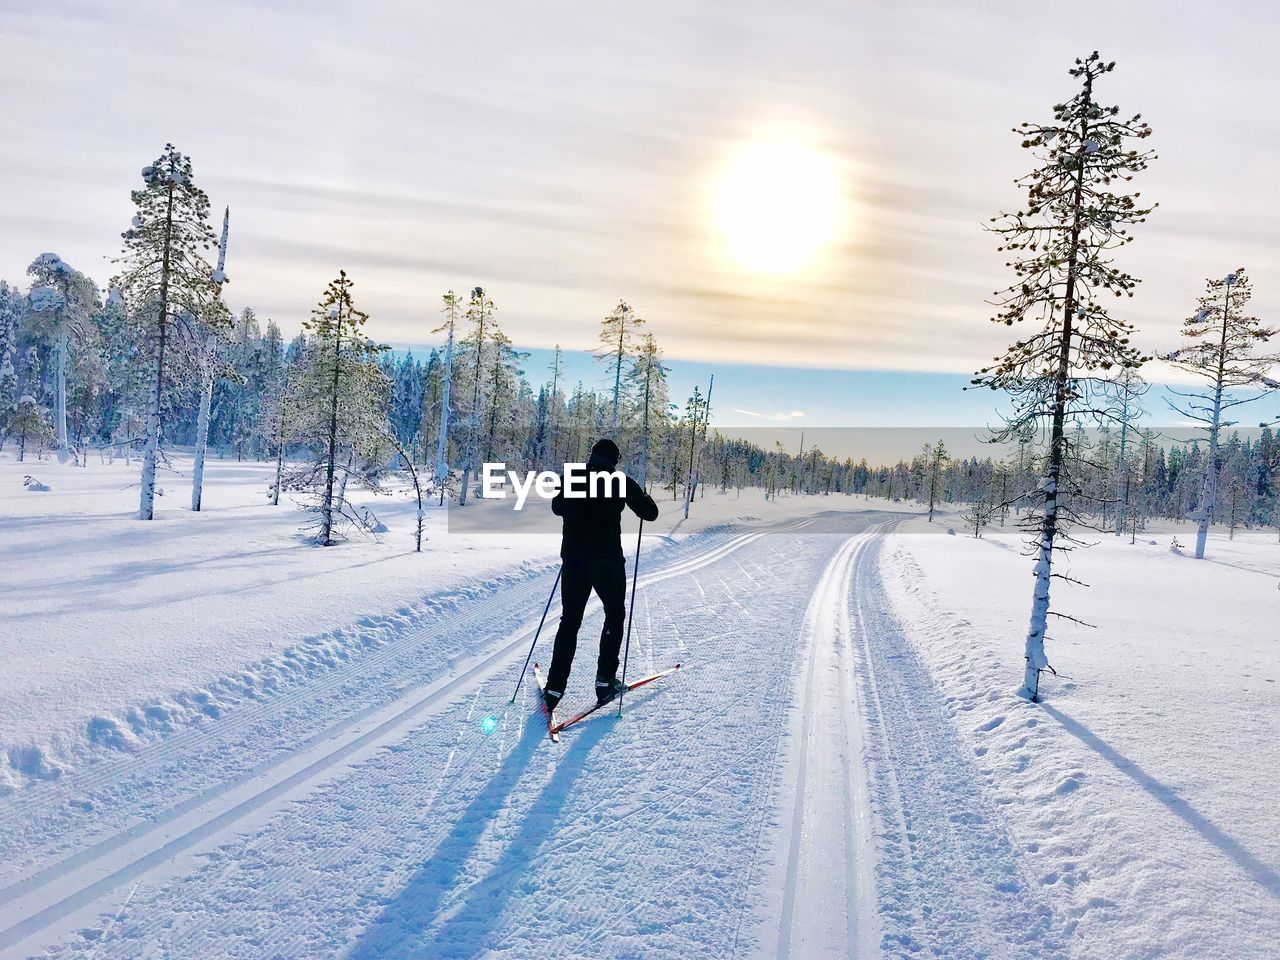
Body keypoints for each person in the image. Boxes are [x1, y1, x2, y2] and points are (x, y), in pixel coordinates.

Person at [544, 438, 658, 713]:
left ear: (591, 456)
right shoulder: (620, 482)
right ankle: (605, 681)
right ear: (614, 460)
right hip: (607, 563)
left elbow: (557, 507)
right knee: (615, 614)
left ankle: (554, 688)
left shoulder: (571, 478)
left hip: (574, 562)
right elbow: (650, 514)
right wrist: (644, 494)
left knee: (570, 621)